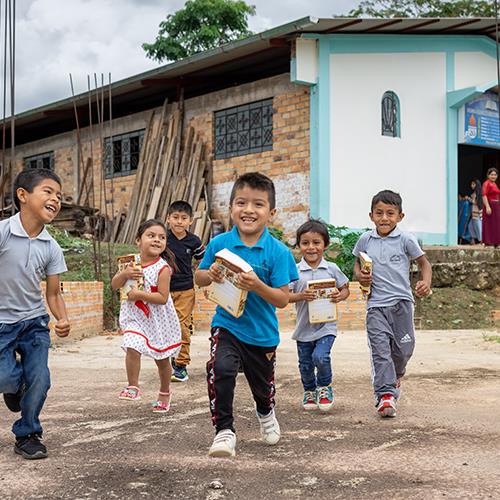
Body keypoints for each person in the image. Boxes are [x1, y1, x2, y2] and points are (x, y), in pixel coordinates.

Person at [195, 172, 298, 458]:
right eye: (241, 202)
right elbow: (199, 277)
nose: (249, 210)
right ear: (231, 208)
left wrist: (257, 285)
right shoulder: (218, 244)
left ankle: (266, 413)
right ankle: (224, 431)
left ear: (271, 212)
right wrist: (210, 273)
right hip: (226, 324)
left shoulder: (278, 252)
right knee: (221, 369)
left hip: (262, 334)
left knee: (262, 387)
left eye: (258, 204)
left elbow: (282, 299)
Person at [0, 168, 70, 460]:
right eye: (48, 192)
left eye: (59, 195)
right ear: (23, 195)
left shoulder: (51, 247)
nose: (55, 199)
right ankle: (15, 386)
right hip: (1, 323)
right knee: (5, 377)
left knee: (40, 377)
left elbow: (53, 292)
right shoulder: (3, 232)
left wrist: (61, 318)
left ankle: (28, 433)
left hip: (34, 323)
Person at [352, 190, 432, 418]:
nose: (384, 218)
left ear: (400, 216)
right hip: (375, 305)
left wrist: (425, 283)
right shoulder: (365, 239)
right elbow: (357, 265)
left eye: (390, 213)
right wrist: (360, 276)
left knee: (404, 350)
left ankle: (397, 375)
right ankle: (385, 394)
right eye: (379, 213)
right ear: (371, 215)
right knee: (380, 351)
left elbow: (425, 264)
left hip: (402, 304)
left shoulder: (406, 239)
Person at [112, 219, 181, 414]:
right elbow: (115, 285)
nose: (157, 240)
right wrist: (125, 274)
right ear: (138, 240)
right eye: (151, 236)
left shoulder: (163, 268)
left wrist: (139, 295)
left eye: (162, 237)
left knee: (162, 360)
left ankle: (164, 393)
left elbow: (162, 297)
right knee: (132, 344)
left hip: (158, 321)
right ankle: (133, 386)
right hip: (135, 317)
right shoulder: (129, 263)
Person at [289, 219, 349, 412]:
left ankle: (324, 387)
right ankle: (309, 390)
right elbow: (285, 296)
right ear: (299, 245)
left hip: (326, 327)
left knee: (321, 357)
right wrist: (300, 296)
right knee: (305, 364)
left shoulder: (331, 268)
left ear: (325, 245)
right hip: (303, 328)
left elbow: (345, 288)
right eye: (305, 243)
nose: (311, 247)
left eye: (316, 242)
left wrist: (340, 296)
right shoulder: (295, 271)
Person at [166, 200, 205, 383]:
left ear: (190, 221)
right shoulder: (163, 239)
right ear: (168, 219)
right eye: (175, 217)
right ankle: (166, 361)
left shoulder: (194, 241)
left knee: (182, 326)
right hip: (163, 291)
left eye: (183, 218)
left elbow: (202, 261)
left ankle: (181, 366)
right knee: (165, 327)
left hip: (186, 290)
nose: (179, 222)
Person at [482, 168, 500, 247]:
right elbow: (484, 195)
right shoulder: (486, 183)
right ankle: (489, 242)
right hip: (490, 205)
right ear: (488, 175)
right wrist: (487, 206)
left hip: (496, 206)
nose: (493, 176)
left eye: (495, 175)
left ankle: (496, 242)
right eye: (492, 174)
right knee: (490, 224)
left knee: (496, 224)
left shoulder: (495, 184)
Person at [467, 179, 483, 245]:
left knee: (478, 226)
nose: (472, 186)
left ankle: (481, 240)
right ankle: (473, 239)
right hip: (474, 213)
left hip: (477, 212)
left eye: (473, 184)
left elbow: (477, 202)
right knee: (470, 226)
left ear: (477, 185)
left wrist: (469, 199)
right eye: (471, 184)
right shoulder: (474, 193)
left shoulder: (479, 193)